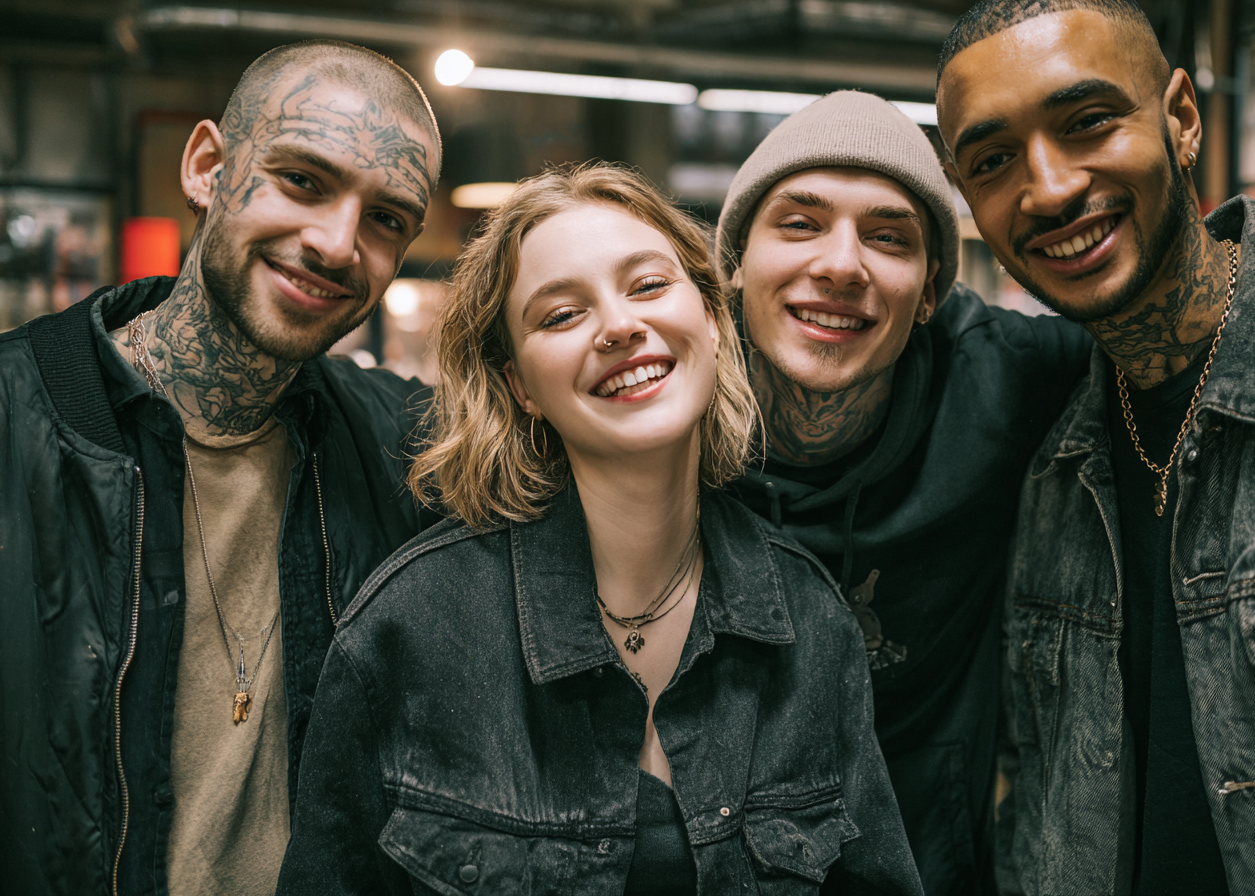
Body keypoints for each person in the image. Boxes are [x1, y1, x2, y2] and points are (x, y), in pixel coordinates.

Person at [276, 165, 921, 895]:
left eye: (648, 285)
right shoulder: (409, 629)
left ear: (713, 321)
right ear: (520, 385)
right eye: (560, 316)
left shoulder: (811, 622)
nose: (619, 327)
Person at [0, 40, 442, 896]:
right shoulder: (16, 421)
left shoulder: (403, 446)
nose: (337, 244)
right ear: (206, 168)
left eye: (387, 219)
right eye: (302, 180)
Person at [936, 1, 1255, 893]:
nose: (1048, 190)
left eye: (1087, 121)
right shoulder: (1051, 458)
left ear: (1182, 119)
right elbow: (1036, 799)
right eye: (993, 161)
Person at [716, 90, 1092, 893]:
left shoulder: (1001, 379)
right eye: (799, 223)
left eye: (888, 237)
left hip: (928, 868)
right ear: (735, 262)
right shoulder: (658, 402)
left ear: (929, 293)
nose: (841, 265)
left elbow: (1193, 333)